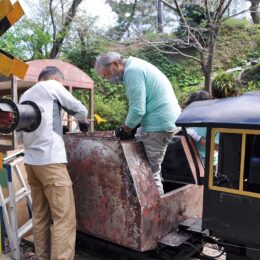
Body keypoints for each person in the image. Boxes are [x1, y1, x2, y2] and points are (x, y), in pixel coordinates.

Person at [19, 66, 88, 260]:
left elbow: (20, 132)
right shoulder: (52, 86)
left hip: (31, 164)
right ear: (56, 79)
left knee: (40, 216)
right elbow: (80, 110)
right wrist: (83, 123)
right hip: (51, 162)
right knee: (63, 219)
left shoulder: (25, 96)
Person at [95, 52, 181, 196]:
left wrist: (124, 130)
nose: (108, 79)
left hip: (158, 124)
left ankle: (155, 212)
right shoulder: (137, 65)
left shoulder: (132, 71)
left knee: (150, 173)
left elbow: (137, 109)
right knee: (149, 166)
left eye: (107, 75)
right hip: (162, 120)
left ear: (115, 64)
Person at [186, 91, 219, 167]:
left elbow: (218, 147)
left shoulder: (214, 122)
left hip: (208, 164)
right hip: (192, 160)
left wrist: (198, 138)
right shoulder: (193, 118)